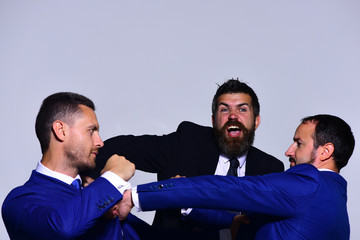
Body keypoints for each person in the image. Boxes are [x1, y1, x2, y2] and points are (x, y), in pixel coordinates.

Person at [85, 79, 284, 239]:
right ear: (213, 121)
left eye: (242, 109)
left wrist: (188, 200)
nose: (233, 116)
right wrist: (92, 182)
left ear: (256, 121)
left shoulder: (271, 168)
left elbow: (253, 227)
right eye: (224, 109)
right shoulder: (188, 141)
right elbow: (120, 147)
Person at [120, 114, 355, 240]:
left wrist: (136, 196)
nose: (288, 151)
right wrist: (188, 206)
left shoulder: (307, 184)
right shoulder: (334, 200)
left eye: (299, 143)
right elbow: (239, 223)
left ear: (326, 151)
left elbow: (227, 189)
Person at [1, 92, 140, 240]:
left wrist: (135, 200)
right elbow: (61, 228)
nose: (100, 142)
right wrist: (114, 176)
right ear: (61, 131)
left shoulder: (99, 196)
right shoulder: (19, 202)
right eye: (91, 131)